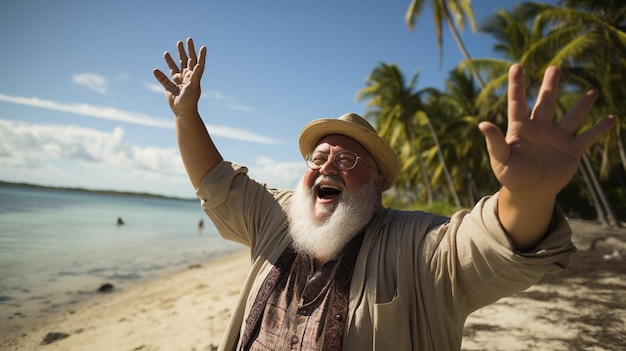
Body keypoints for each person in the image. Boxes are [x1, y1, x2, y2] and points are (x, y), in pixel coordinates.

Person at [153, 38, 616, 351]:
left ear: (377, 184)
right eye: (318, 158)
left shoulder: (416, 246)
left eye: (348, 160)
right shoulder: (279, 217)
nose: (328, 165)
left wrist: (530, 194)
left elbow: (490, 243)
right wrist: (186, 115)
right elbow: (215, 181)